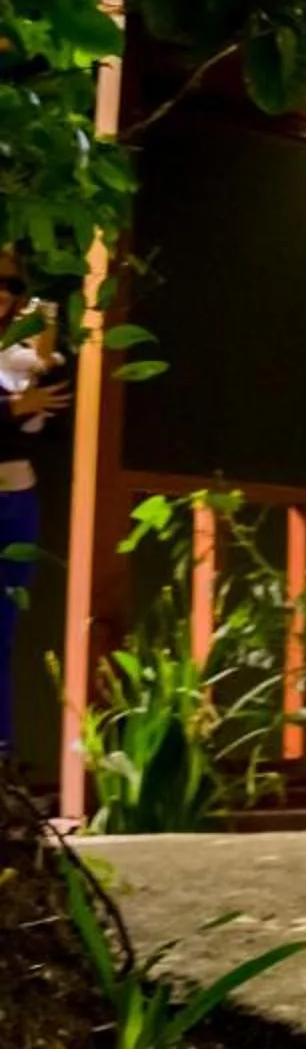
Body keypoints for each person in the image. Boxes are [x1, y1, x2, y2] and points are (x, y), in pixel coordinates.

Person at [0, 251, 72, 766]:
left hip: (16, 498)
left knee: (2, 632)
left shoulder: (24, 353)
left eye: (10, 284)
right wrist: (10, 410)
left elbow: (47, 413)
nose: (2, 292)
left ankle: (3, 756)